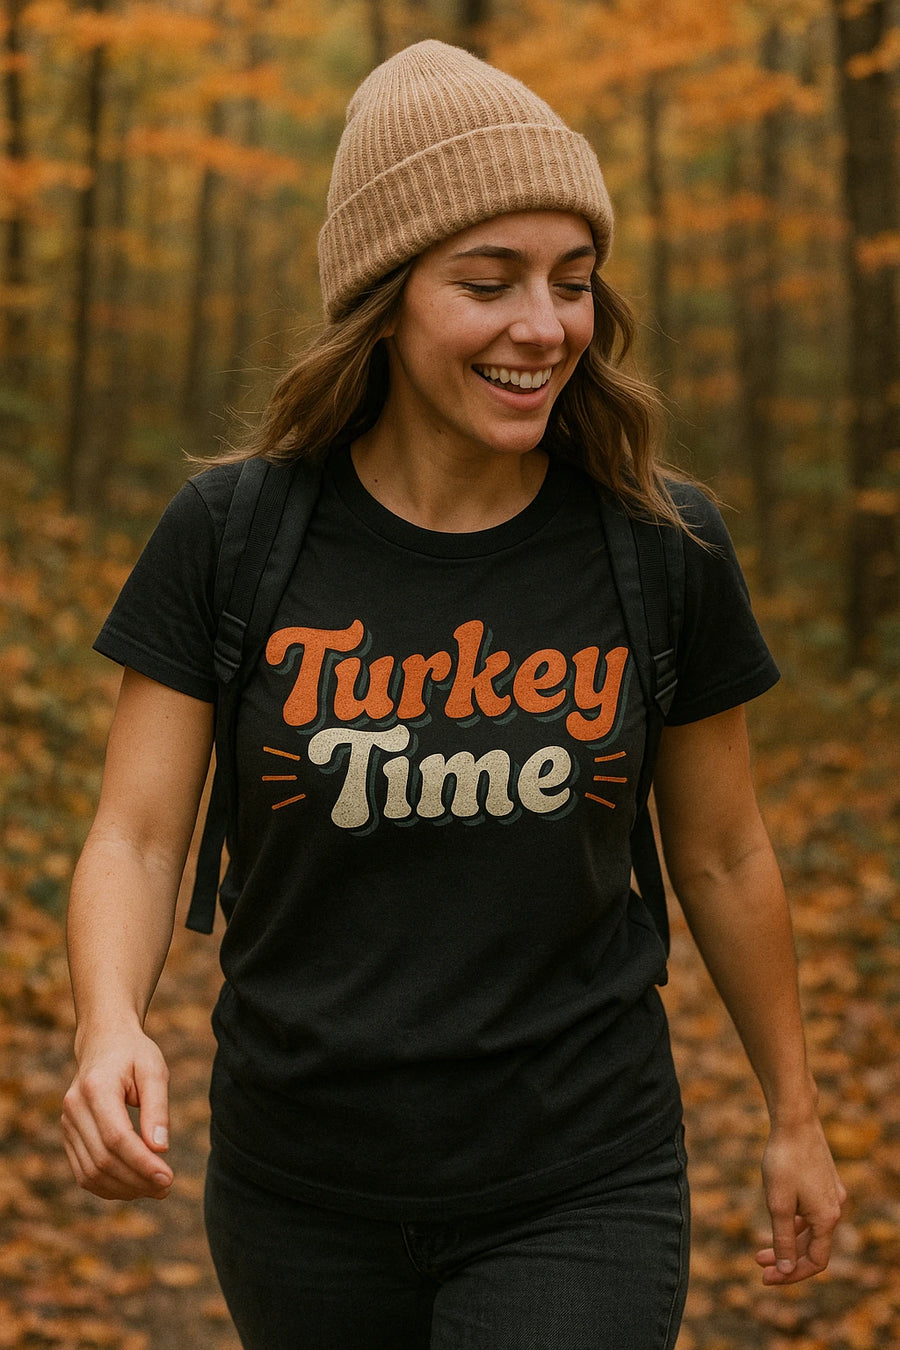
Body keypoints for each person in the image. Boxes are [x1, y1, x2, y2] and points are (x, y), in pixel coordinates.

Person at [62, 39, 845, 1350]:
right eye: (489, 281)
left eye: (574, 282)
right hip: (298, 1186)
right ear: (386, 297)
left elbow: (722, 852)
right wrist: (105, 1026)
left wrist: (795, 1113)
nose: (545, 325)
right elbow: (135, 836)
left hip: (580, 1174)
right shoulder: (234, 534)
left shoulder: (660, 545)